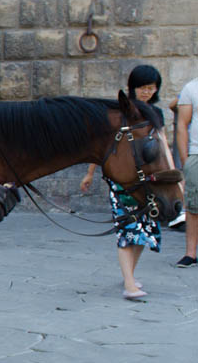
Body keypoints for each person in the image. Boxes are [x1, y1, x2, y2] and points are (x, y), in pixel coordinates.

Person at [80, 65, 173, 297]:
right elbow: (104, 146)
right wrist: (91, 173)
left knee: (145, 229)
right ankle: (129, 282)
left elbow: (163, 146)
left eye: (151, 88)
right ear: (133, 88)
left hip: (148, 180)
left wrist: (171, 174)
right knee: (127, 228)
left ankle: (129, 275)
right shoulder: (121, 113)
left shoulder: (156, 114)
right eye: (142, 87)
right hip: (123, 180)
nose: (146, 92)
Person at [176, 75, 198, 268]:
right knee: (193, 206)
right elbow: (182, 124)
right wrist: (186, 159)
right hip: (197, 153)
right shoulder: (191, 88)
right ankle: (190, 254)